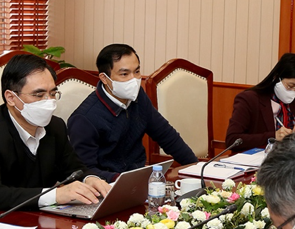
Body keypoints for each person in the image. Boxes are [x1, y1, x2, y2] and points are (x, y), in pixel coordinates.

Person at [0, 54, 111, 213]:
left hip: (32, 221)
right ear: (11, 98)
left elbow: (74, 169)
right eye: (38, 95)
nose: (49, 102)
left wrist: (90, 179)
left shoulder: (55, 127)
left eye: (53, 94)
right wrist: (55, 194)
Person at [67, 44, 197, 181]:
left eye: (136, 72)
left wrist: (195, 167)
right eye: (124, 74)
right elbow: (85, 171)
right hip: (107, 186)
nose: (133, 80)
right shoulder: (84, 118)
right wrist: (125, 180)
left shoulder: (138, 96)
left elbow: (166, 134)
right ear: (104, 78)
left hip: (140, 178)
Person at [225, 53, 295, 151]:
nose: (293, 92)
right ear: (276, 77)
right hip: (256, 159)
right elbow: (232, 139)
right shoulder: (249, 99)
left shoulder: (293, 102)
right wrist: (273, 136)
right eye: (290, 86)